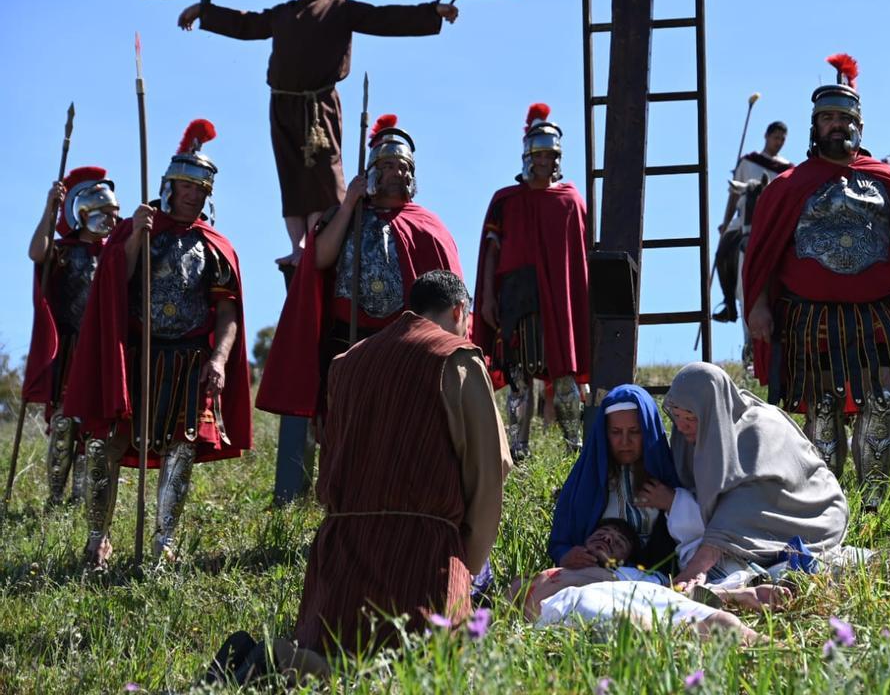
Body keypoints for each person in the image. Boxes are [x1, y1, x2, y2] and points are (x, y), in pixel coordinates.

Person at [742, 53, 890, 510]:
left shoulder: (886, 180)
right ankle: (826, 501)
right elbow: (763, 255)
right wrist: (757, 306)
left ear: (859, 124)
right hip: (809, 314)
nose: (836, 126)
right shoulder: (788, 185)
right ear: (814, 126)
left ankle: (874, 499)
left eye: (844, 118)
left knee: (878, 400)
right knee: (823, 406)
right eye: (827, 118)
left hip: (876, 312)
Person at [177, 0, 460, 266]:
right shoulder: (282, 13)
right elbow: (246, 24)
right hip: (282, 102)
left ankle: (319, 240)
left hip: (319, 104)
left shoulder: (339, 8)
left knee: (323, 170)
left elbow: (384, 17)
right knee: (291, 172)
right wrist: (203, 11)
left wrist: (432, 12)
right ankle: (298, 248)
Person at [292, 270, 511, 655]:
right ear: (460, 310)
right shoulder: (456, 359)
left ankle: (270, 659)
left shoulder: (348, 363)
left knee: (333, 660)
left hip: (340, 567)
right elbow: (490, 471)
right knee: (416, 669)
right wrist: (469, 563)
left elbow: (327, 469)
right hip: (423, 567)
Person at [64, 120, 253, 567]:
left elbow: (227, 311)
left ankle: (164, 544)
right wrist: (133, 238)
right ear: (169, 186)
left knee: (181, 448)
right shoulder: (137, 230)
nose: (194, 195)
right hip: (135, 355)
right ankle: (97, 541)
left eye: (201, 190)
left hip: (189, 361)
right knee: (104, 443)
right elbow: (116, 282)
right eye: (186, 186)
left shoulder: (214, 246)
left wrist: (221, 360)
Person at [256, 115, 463, 420]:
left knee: (396, 419)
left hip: (403, 339)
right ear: (373, 173)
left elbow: (448, 293)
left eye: (404, 167)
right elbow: (321, 259)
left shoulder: (427, 226)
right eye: (390, 166)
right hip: (348, 336)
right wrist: (349, 204)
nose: (398, 173)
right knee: (346, 420)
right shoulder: (345, 216)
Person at [663, 362, 849, 589]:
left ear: (711, 409)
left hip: (804, 511)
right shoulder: (694, 432)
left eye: (691, 418)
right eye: (677, 415)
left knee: (724, 568)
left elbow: (751, 499)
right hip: (736, 524)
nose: (681, 426)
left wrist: (700, 563)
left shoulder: (761, 428)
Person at [473, 103, 590, 461]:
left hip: (560, 298)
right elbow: (492, 252)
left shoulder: (570, 199)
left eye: (552, 155)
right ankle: (516, 453)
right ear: (528, 156)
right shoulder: (506, 201)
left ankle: (574, 448)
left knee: (567, 377)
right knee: (519, 379)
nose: (547, 162)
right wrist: (489, 299)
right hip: (517, 296)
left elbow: (580, 262)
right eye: (540, 155)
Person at [24, 167, 120, 507]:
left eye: (115, 213)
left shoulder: (116, 254)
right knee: (66, 424)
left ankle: (81, 498)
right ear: (85, 213)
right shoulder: (63, 250)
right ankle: (55, 498)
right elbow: (38, 253)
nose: (112, 219)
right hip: (71, 348)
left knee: (94, 426)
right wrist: (50, 209)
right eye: (105, 213)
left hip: (102, 349)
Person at [518, 520, 768, 645]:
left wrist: (741, 593)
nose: (607, 538)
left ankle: (794, 659)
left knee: (723, 623)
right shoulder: (554, 573)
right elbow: (504, 605)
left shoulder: (642, 575)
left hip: (639, 593)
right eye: (601, 534)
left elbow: (683, 591)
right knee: (631, 626)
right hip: (579, 600)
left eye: (617, 542)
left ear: (627, 558)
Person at [548, 384, 681, 573]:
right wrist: (565, 555)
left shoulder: (666, 475)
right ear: (605, 433)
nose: (625, 442)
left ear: (647, 431)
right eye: (616, 432)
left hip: (655, 577)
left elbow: (695, 532)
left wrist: (673, 502)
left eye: (634, 431)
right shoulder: (587, 478)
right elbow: (560, 540)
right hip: (592, 574)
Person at [713, 121, 792, 323]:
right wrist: (725, 222)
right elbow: (734, 195)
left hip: (772, 225)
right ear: (766, 136)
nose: (779, 142)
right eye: (776, 137)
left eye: (782, 139)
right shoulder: (748, 162)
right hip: (744, 221)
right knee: (722, 252)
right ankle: (729, 303)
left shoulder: (787, 170)